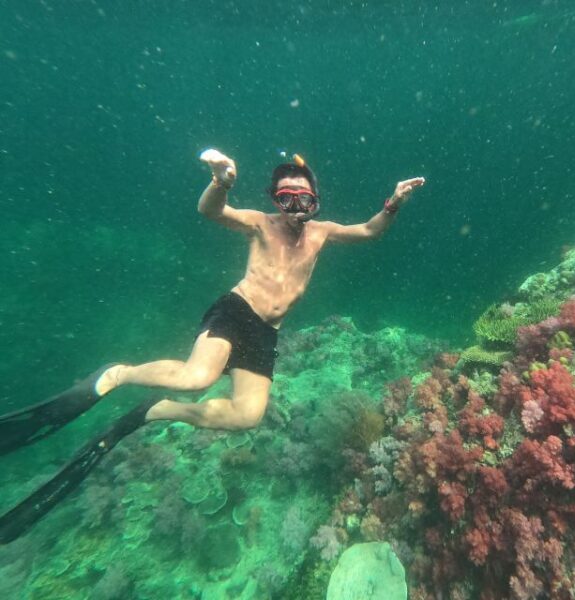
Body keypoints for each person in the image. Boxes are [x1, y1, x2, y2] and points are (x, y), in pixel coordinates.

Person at [0, 150, 425, 543]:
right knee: (196, 377)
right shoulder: (260, 223)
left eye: (304, 199)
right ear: (275, 200)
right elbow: (211, 210)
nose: (295, 208)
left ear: (316, 200)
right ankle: (120, 374)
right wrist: (221, 181)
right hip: (236, 311)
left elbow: (370, 231)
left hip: (265, 332)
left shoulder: (322, 233)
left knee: (247, 416)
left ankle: (158, 411)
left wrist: (394, 203)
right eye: (286, 198)